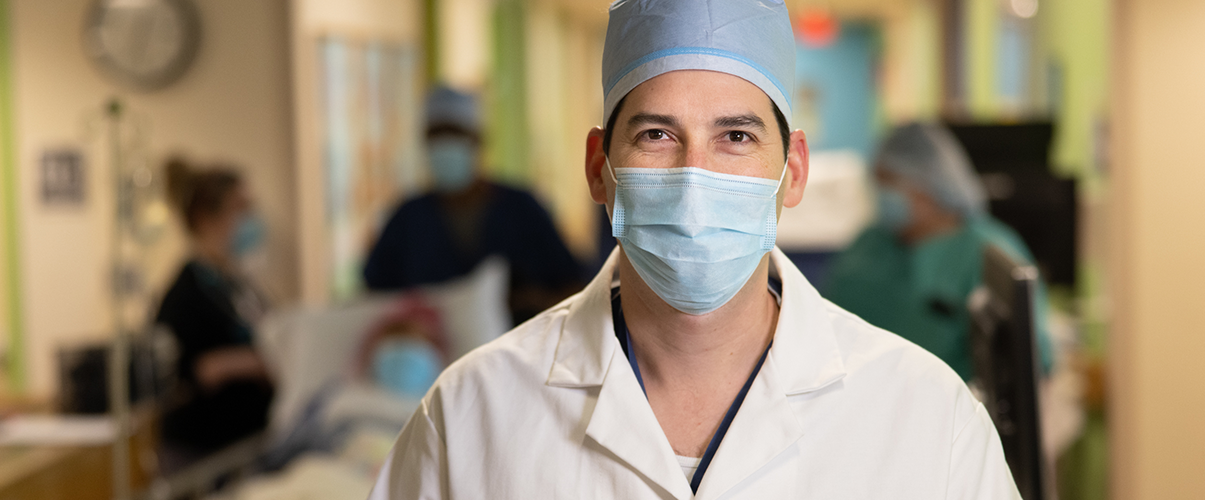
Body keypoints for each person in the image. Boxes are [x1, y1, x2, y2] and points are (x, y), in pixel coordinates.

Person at [369, 1, 1021, 498]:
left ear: (792, 171)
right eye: (657, 134)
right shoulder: (467, 417)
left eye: (735, 136)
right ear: (599, 166)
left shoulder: (931, 421)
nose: (693, 177)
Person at [823, 123, 1054, 381]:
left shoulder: (987, 252)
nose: (880, 194)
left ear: (925, 183)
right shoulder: (870, 242)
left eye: (888, 181)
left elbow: (1031, 362)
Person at [362, 86, 584, 324]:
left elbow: (575, 287)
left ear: (478, 139)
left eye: (454, 134)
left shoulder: (522, 209)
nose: (445, 147)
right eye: (436, 136)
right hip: (439, 356)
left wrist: (532, 302)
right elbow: (373, 301)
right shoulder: (407, 220)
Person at [155, 159, 274, 456]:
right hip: (203, 451)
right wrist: (260, 361)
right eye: (240, 208)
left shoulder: (237, 285)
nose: (251, 220)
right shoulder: (185, 295)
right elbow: (194, 372)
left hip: (247, 443)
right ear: (205, 218)